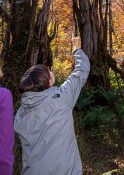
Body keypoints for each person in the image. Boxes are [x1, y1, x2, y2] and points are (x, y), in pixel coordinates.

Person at [14, 37, 90, 175]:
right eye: (48, 71)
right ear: (47, 81)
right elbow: (81, 71)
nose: (51, 71)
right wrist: (76, 49)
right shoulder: (61, 98)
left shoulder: (20, 114)